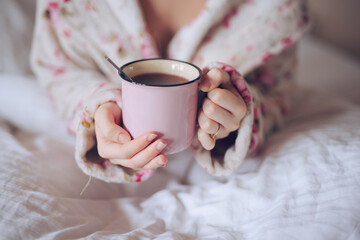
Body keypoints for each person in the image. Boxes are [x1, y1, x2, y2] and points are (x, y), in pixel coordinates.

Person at [30, 0, 309, 183]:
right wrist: (99, 108)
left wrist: (240, 113)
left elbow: (274, 91)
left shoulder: (272, 8)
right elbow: (60, 71)